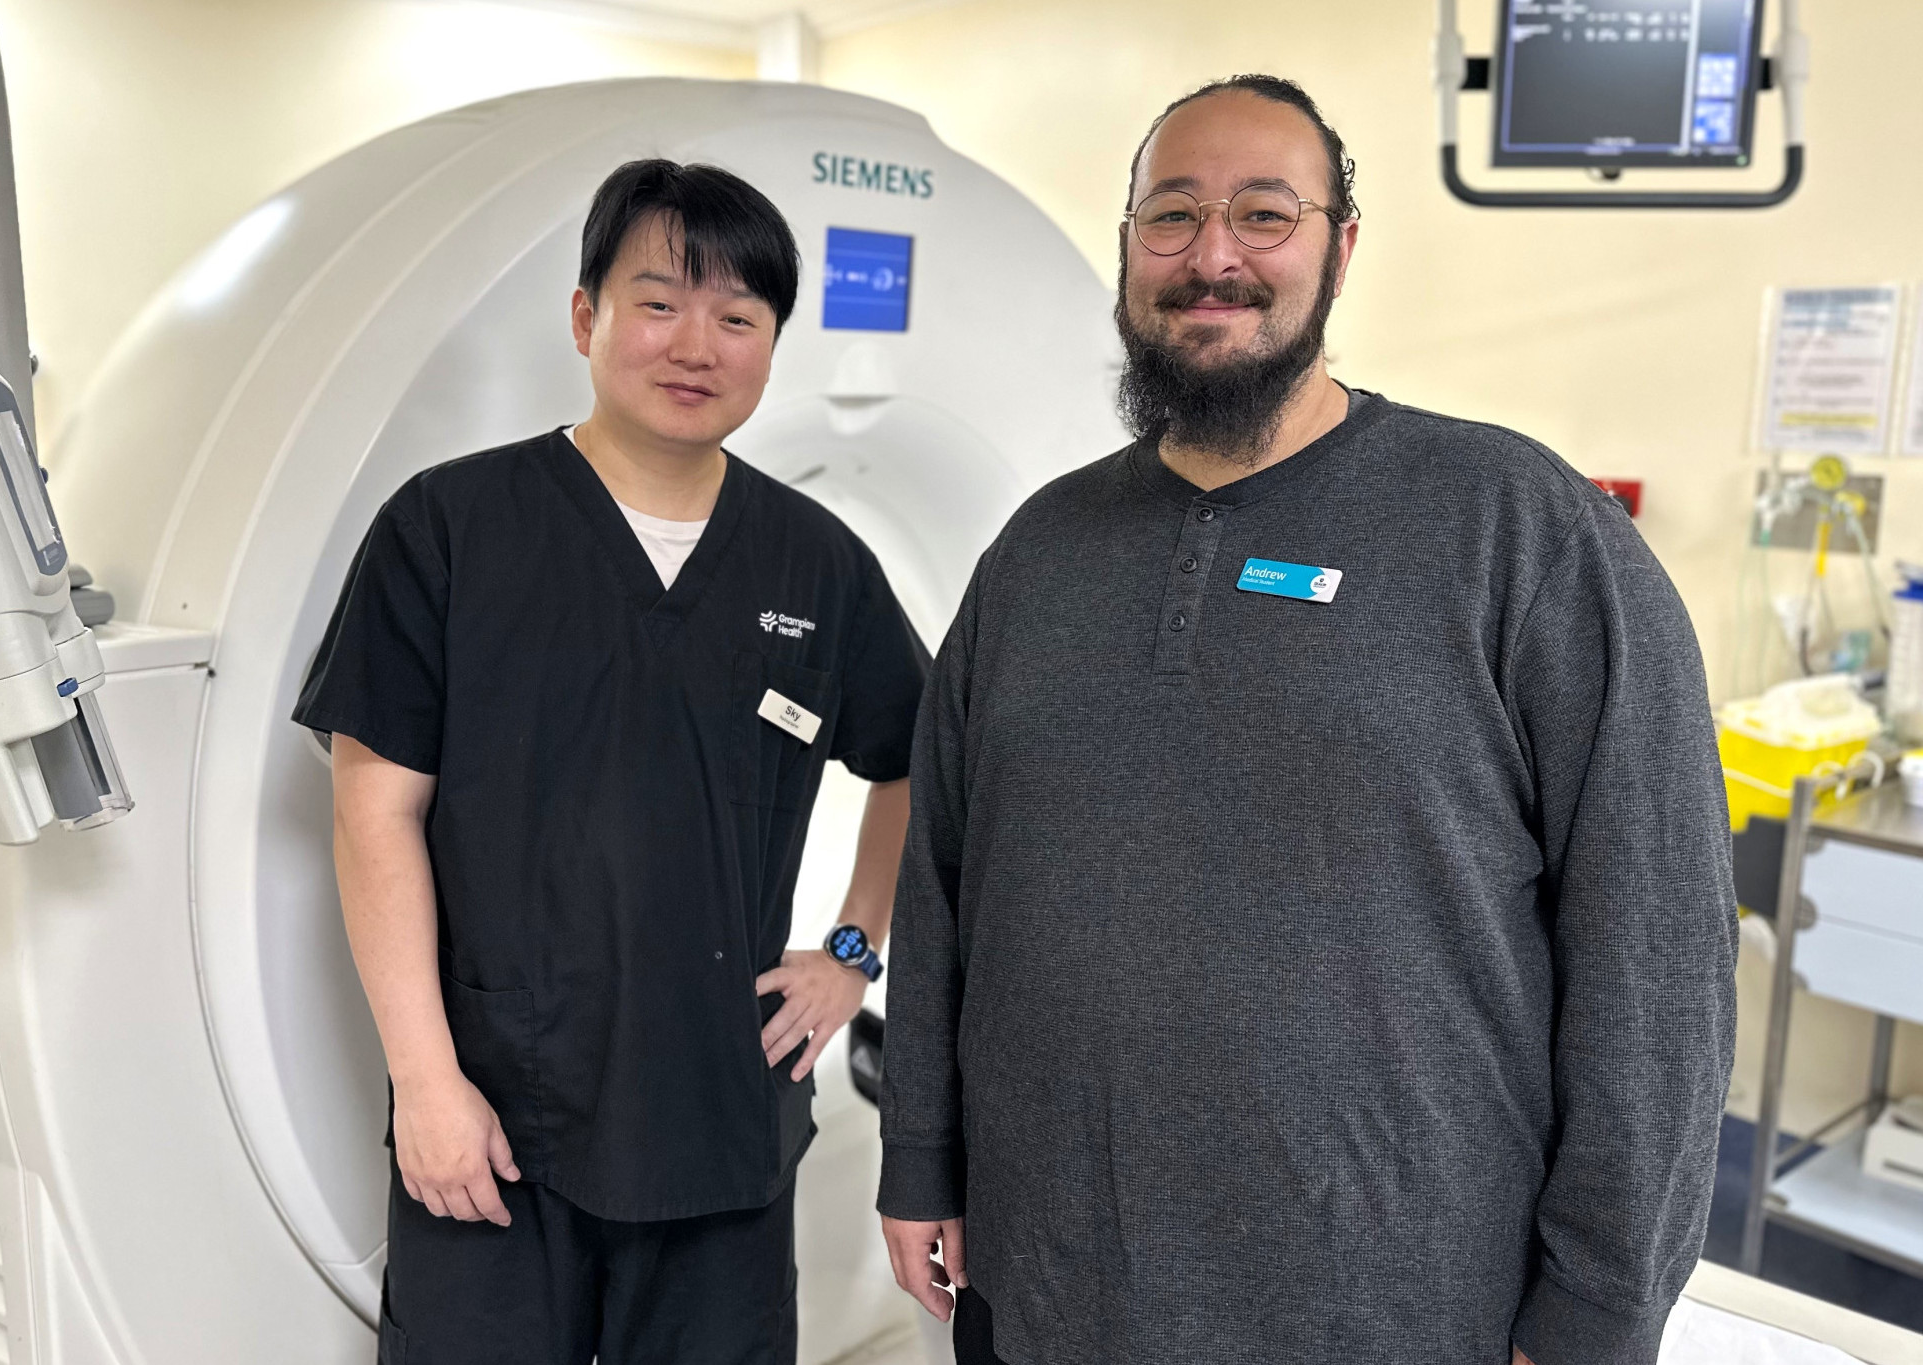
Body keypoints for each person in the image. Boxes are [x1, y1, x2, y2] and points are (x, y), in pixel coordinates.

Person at [876, 74, 1736, 1365]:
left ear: (1339, 247)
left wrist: (1600, 1307)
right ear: (1127, 251)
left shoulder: (1517, 528)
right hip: (1050, 1283)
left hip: (1388, 1304)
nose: (1212, 255)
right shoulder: (1040, 552)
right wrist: (921, 1151)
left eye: (1264, 214)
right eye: (1172, 216)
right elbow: (947, 881)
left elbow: (1656, 953)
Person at [296, 158, 928, 1364]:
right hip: (492, 1114)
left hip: (719, 1108)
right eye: (658, 302)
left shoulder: (817, 565)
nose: (697, 343)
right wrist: (425, 1085)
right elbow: (371, 814)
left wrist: (852, 951)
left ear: (771, 346)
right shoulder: (447, 530)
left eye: (738, 316)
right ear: (585, 318)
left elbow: (916, 765)